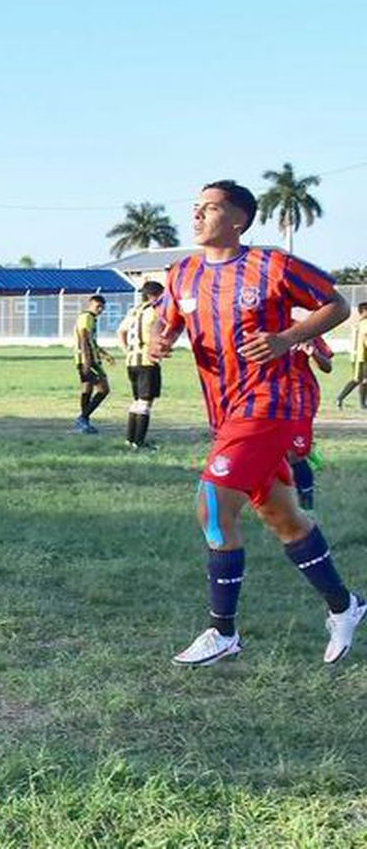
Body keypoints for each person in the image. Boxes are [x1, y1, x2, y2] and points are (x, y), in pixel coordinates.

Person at [153, 180, 362, 666]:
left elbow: (337, 304)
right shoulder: (182, 274)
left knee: (212, 504)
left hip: (275, 402)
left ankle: (222, 632)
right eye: (196, 207)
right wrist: (163, 341)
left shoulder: (273, 266)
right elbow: (171, 322)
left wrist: (286, 338)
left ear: (238, 219)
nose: (198, 215)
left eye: (210, 207)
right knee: (283, 517)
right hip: (227, 410)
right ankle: (345, 606)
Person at [116, 282, 164, 449]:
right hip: (147, 361)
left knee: (137, 401)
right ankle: (139, 442)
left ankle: (130, 440)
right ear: (154, 295)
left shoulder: (134, 310)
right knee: (145, 402)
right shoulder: (156, 311)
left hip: (131, 361)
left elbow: (121, 331)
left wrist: (127, 351)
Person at [289, 332, 333, 511]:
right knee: (275, 453)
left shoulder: (304, 329)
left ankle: (307, 506)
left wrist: (312, 352)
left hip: (301, 397)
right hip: (270, 397)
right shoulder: (259, 328)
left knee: (294, 455)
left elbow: (327, 366)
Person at [72, 295, 114, 433]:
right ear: (90, 305)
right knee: (104, 389)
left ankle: (84, 424)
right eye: (98, 306)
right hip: (88, 360)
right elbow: (84, 338)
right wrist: (87, 361)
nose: (100, 310)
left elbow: (92, 341)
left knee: (87, 390)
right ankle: (83, 418)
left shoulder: (91, 319)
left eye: (102, 307)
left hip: (85, 359)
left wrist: (105, 354)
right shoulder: (86, 317)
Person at [334, 302, 367, 409]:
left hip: (360, 356)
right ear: (363, 311)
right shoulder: (364, 323)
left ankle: (362, 404)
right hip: (361, 357)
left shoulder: (359, 323)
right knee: (357, 379)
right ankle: (340, 398)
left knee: (365, 380)